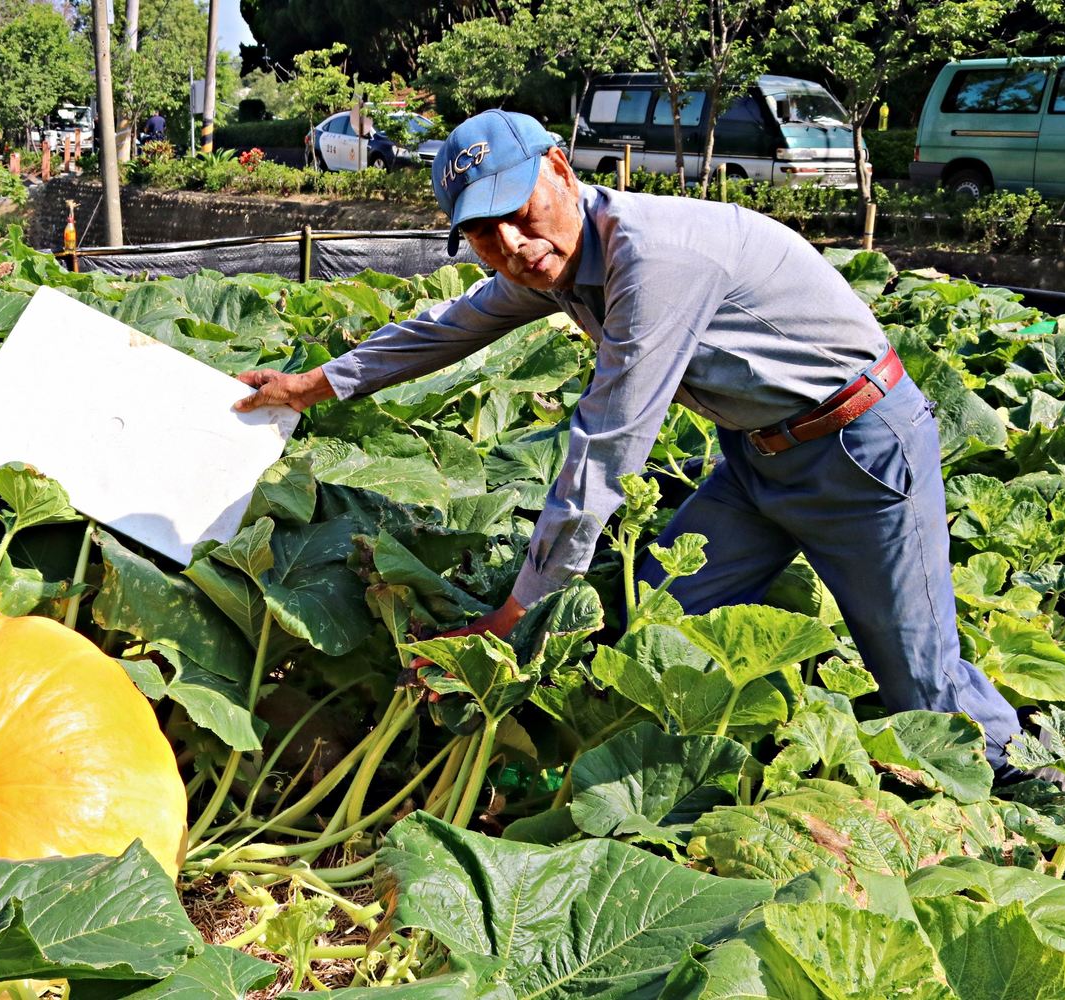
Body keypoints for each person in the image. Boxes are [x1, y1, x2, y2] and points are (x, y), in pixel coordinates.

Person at [233, 109, 1025, 777]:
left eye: (519, 211)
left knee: (917, 679)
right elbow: (448, 326)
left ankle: (1028, 793)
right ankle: (704, 772)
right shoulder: (558, 259)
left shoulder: (655, 259)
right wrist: (310, 386)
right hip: (758, 461)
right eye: (481, 233)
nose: (510, 244)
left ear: (559, 168)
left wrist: (517, 613)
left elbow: (607, 444)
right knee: (658, 620)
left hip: (859, 449)